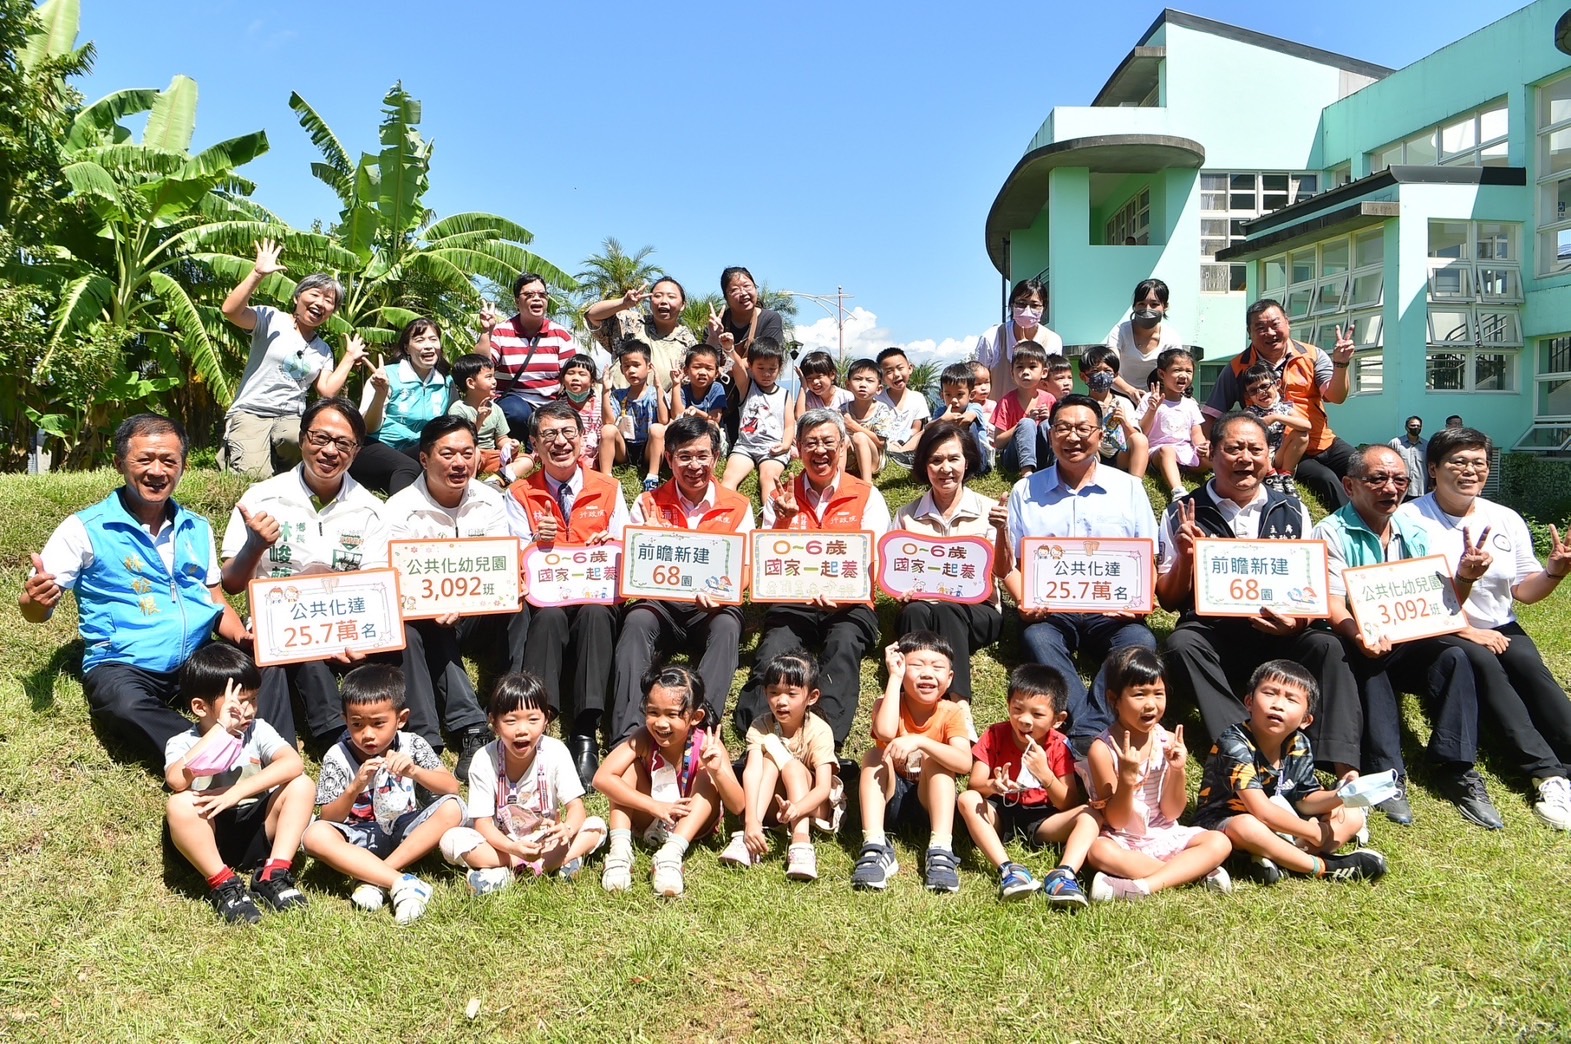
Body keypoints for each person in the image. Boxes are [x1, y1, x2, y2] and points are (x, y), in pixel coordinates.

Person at [20, 414, 252, 761]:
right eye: (145, 460)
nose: (157, 471)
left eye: (169, 461)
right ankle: (211, 757)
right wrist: (35, 600)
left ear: (183, 467)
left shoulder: (196, 527)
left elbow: (213, 599)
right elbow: (35, 612)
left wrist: (243, 640)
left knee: (264, 668)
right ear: (119, 464)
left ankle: (274, 746)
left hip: (196, 658)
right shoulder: (84, 529)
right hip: (123, 663)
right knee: (123, 705)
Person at [1156, 412, 1363, 776]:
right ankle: (1245, 747)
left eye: (1255, 449)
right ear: (1212, 453)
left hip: (1278, 633)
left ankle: (1345, 767)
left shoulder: (1292, 510)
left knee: (1328, 645)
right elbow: (1169, 601)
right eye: (1234, 449)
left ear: (1269, 456)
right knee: (1181, 644)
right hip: (1213, 633)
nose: (1245, 458)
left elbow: (1311, 590)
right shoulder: (1182, 512)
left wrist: (1297, 623)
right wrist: (1187, 559)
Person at [1312, 444, 1501, 828]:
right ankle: (1386, 772)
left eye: (1400, 480)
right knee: (1371, 659)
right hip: (1355, 639)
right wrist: (1359, 634)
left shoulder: (1413, 531)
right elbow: (1331, 603)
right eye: (1378, 479)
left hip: (1408, 639)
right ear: (1349, 486)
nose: (1391, 488)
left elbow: (1438, 601)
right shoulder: (1330, 532)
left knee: (1454, 657)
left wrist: (1464, 578)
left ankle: (1456, 767)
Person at [1397, 426, 1571, 830]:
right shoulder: (1408, 519)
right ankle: (1547, 775)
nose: (1469, 470)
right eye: (1458, 462)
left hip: (1499, 624)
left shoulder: (1505, 518)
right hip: (1437, 630)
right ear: (1433, 468)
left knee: (1530, 668)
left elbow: (1524, 592)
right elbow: (1408, 595)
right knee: (1487, 666)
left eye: (1478, 463)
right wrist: (1466, 627)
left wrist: (1555, 572)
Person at [220, 397, 389, 754]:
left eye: (343, 443)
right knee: (283, 650)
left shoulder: (372, 511)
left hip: (343, 630)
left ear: (356, 452)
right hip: (277, 629)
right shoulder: (262, 498)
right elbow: (231, 584)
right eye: (320, 438)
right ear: (301, 439)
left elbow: (376, 589)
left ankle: (327, 742)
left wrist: (361, 640)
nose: (330, 450)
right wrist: (254, 546)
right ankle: (286, 751)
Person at [1000, 394, 1159, 753]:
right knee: (1038, 639)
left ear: (1100, 436)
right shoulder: (1025, 491)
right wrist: (1023, 600)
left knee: (1141, 641)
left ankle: (1087, 728)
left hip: (1112, 610)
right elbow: (1009, 563)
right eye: (1062, 428)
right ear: (1050, 434)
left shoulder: (1128, 488)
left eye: (1083, 429)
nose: (1073, 437)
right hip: (1052, 610)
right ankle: (1094, 726)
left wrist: (1141, 603)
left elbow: (1147, 556)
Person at [374, 415, 524, 780]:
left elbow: (500, 568)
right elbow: (385, 575)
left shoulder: (490, 500)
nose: (459, 463)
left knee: (521, 606)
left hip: (479, 616)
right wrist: (433, 605)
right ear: (424, 459)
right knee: (414, 625)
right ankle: (433, 736)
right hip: (427, 618)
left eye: (467, 453)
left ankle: (514, 706)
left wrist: (503, 588)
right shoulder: (399, 509)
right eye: (448, 454)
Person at [733, 409, 892, 750]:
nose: (820, 450)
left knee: (843, 647)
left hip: (849, 604)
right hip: (794, 600)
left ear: (843, 446)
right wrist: (782, 520)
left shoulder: (867, 495)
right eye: (811, 443)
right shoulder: (782, 494)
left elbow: (876, 560)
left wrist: (843, 593)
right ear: (798, 449)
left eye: (828, 442)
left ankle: (824, 744)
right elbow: (767, 559)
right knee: (773, 650)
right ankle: (758, 739)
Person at [506, 400, 629, 787]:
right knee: (548, 618)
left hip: (595, 593)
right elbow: (515, 557)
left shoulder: (608, 488)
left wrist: (610, 543)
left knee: (594, 613)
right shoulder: (520, 493)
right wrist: (535, 542)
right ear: (535, 444)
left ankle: (585, 733)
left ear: (583, 438)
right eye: (549, 435)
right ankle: (538, 723)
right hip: (548, 597)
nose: (560, 442)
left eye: (567, 433)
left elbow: (626, 547)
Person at [610, 415, 754, 741]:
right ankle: (629, 733)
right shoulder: (647, 503)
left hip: (711, 607)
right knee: (636, 621)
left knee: (728, 625)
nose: (694, 465)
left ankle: (699, 728)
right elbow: (632, 567)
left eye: (703, 456)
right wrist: (649, 539)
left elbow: (744, 568)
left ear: (716, 458)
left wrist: (722, 596)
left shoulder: (738, 506)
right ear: (669, 459)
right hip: (661, 605)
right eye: (685, 456)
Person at [1193, 659, 1390, 884]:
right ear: (1249, 702)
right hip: (1226, 824)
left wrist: (1343, 794)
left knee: (1351, 816)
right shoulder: (1234, 743)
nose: (1278, 704)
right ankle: (1323, 867)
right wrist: (1313, 832)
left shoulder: (1299, 744)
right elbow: (1261, 811)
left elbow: (1306, 800)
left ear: (1306, 720)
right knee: (1246, 826)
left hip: (1283, 824)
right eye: (1270, 693)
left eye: (1291, 699)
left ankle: (1279, 860)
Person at [301, 664, 465, 924]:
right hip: (359, 837)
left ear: (401, 719)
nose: (367, 734)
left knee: (453, 807)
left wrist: (414, 771)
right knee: (314, 835)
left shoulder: (412, 744)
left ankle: (376, 877)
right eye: (356, 724)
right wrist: (355, 787)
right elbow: (329, 817)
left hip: (407, 831)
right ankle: (401, 882)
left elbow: (451, 787)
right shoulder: (338, 755)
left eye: (378, 724)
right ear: (345, 719)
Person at [163, 644, 315, 924]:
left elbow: (293, 763)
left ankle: (274, 873)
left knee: (301, 784)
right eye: (237, 704)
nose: (248, 711)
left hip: (257, 825)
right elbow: (175, 780)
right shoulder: (183, 742)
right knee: (179, 804)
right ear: (200, 707)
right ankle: (223, 884)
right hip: (210, 834)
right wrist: (220, 730)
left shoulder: (258, 730)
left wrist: (236, 792)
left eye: (253, 699)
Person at [1080, 648, 1232, 901]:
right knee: (1098, 851)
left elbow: (1172, 812)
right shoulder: (1102, 749)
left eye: (1158, 694)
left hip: (1164, 834)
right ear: (1114, 698)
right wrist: (1126, 781)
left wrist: (1177, 769)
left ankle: (1140, 887)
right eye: (1139, 694)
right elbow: (1116, 821)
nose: (1150, 704)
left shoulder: (1168, 741)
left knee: (1220, 841)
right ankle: (1194, 872)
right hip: (1124, 840)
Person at [438, 673, 608, 894]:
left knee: (596, 826)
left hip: (546, 840)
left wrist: (567, 829)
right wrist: (513, 848)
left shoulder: (556, 751)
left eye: (533, 719)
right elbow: (483, 824)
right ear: (494, 723)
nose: (522, 730)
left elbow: (576, 808)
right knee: (451, 840)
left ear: (546, 720)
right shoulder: (483, 759)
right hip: (502, 844)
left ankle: (504, 873)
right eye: (511, 721)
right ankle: (545, 864)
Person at [219, 239, 364, 477]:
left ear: (332, 312)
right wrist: (257, 274)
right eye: (315, 294)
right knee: (255, 476)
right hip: (252, 411)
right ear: (297, 297)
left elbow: (327, 391)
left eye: (329, 301)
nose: (320, 303)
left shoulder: (323, 349)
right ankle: (237, 452)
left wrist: (349, 358)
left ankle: (280, 463)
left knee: (302, 443)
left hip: (291, 418)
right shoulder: (270, 319)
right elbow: (231, 311)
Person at [957, 664, 1097, 907]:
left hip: (1043, 818)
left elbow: (1069, 802)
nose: (1024, 720)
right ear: (1008, 705)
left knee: (1091, 813)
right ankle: (1008, 870)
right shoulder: (995, 734)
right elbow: (974, 784)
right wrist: (994, 785)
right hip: (1000, 810)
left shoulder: (1059, 745)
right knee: (967, 799)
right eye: (1017, 709)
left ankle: (1064, 875)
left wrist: (1046, 775)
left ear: (1058, 720)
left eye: (1037, 714)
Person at [595, 665, 737, 898]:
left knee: (707, 776)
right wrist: (654, 806)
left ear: (696, 717)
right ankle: (620, 852)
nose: (661, 723)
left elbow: (738, 806)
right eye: (653, 712)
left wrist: (717, 771)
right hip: (652, 817)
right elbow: (602, 778)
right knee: (624, 770)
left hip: (692, 824)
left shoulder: (707, 744)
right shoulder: (643, 738)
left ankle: (670, 855)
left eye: (672, 715)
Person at [892, 420, 1004, 706]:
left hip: (977, 611)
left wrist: (1002, 531)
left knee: (948, 610)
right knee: (913, 611)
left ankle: (959, 703)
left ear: (967, 462)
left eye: (954, 459)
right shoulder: (906, 515)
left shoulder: (990, 511)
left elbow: (1004, 570)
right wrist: (900, 592)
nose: (945, 468)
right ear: (924, 466)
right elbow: (894, 570)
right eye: (936, 460)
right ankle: (911, 700)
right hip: (923, 606)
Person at [1203, 298, 1356, 508]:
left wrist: (1341, 363)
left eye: (1275, 324)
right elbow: (1212, 413)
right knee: (1326, 479)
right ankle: (1349, 525)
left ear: (1287, 323)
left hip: (1323, 440)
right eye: (1260, 328)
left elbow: (1336, 397)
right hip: (1287, 451)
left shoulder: (1312, 355)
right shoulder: (1238, 368)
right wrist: (1208, 447)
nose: (1270, 333)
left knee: (1367, 468)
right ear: (1249, 333)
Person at [851, 634, 974, 893]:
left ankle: (941, 850)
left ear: (949, 678)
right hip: (890, 800)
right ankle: (874, 846)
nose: (927, 673)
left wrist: (922, 742)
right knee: (874, 757)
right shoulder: (887, 703)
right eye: (916, 665)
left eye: (937, 667)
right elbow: (885, 733)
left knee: (939, 763)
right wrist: (895, 678)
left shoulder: (952, 711)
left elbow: (964, 762)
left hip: (931, 803)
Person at [719, 650, 843, 882]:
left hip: (813, 807)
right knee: (768, 758)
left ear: (812, 697)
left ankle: (801, 843)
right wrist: (751, 820)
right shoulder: (761, 725)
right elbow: (752, 772)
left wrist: (797, 808)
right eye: (773, 692)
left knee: (793, 767)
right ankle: (750, 835)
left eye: (791, 694)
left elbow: (823, 788)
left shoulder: (819, 730)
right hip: (774, 807)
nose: (781, 701)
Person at [353, 317, 452, 495]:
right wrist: (380, 394)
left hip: (415, 450)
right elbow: (367, 428)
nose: (428, 346)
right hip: (375, 447)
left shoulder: (446, 383)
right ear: (407, 348)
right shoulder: (385, 376)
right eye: (420, 340)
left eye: (433, 339)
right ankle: (402, 511)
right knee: (409, 466)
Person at [477, 273, 579, 440]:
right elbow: (481, 367)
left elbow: (571, 374)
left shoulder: (560, 335)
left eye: (542, 294)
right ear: (517, 301)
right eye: (529, 295)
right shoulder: (501, 332)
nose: (537, 299)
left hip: (549, 405)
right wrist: (486, 331)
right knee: (518, 412)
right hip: (513, 404)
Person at [585, 278, 697, 393]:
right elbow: (592, 316)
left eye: (671, 296)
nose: (663, 301)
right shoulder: (631, 322)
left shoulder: (688, 343)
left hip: (659, 403)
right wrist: (623, 303)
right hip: (613, 400)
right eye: (657, 296)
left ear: (683, 305)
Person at [721, 335, 795, 506]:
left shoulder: (785, 395)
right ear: (751, 366)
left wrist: (785, 445)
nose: (766, 374)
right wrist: (730, 349)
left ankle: (770, 518)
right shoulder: (747, 387)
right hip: (745, 447)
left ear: (780, 368)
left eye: (772, 369)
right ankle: (723, 515)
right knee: (730, 476)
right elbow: (738, 367)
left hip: (772, 450)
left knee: (769, 478)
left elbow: (789, 425)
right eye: (760, 368)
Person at [974, 277, 1066, 399]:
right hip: (998, 409)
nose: (1027, 310)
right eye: (1021, 304)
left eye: (1034, 305)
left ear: (1043, 308)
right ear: (1012, 305)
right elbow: (976, 381)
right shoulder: (992, 337)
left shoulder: (1052, 341)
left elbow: (1054, 382)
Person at [1138, 347, 1207, 499]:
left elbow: (1197, 434)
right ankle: (1178, 491)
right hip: (1159, 452)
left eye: (1188, 371)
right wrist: (1152, 410)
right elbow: (1142, 432)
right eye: (1177, 370)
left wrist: (1202, 447)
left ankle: (1224, 479)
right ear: (1162, 374)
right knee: (1167, 451)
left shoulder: (1190, 404)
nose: (1183, 375)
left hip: (1186, 451)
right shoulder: (1150, 399)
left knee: (1213, 452)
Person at [447, 353, 523, 486]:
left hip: (491, 455)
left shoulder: (495, 408)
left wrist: (509, 444)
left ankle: (496, 479)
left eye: (494, 376)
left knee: (526, 460)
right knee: (475, 452)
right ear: (471, 383)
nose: (494, 381)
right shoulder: (458, 409)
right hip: (469, 454)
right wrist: (479, 421)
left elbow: (501, 438)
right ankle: (470, 485)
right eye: (489, 377)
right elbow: (461, 440)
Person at [601, 341, 668, 491]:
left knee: (657, 429)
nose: (631, 370)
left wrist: (659, 388)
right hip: (625, 448)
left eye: (636, 365)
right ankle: (605, 479)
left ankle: (652, 477)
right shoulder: (618, 395)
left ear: (649, 367)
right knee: (607, 430)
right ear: (621, 369)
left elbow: (664, 420)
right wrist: (605, 392)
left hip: (648, 448)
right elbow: (608, 422)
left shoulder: (654, 394)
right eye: (626, 366)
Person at [1105, 277, 1184, 396]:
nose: (1147, 309)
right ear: (1134, 306)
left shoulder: (1171, 339)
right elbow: (1108, 369)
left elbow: (1175, 374)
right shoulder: (1120, 332)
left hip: (1156, 397)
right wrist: (1131, 392)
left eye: (1154, 304)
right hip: (1120, 393)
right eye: (1141, 304)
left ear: (1165, 306)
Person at [1079, 345, 1149, 478]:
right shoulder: (1081, 405)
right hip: (1095, 454)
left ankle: (1135, 482)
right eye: (1095, 371)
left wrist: (1124, 422)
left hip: (1120, 455)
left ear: (1115, 375)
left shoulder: (1124, 402)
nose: (1102, 375)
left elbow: (1136, 436)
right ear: (1083, 376)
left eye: (1107, 371)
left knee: (1140, 439)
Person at [1240, 362, 1310, 496]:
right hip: (1260, 457)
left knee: (1302, 435)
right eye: (1253, 391)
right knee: (1258, 441)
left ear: (1277, 384)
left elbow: (1307, 425)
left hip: (1279, 455)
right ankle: (1271, 477)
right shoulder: (1250, 412)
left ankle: (1285, 476)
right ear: (1249, 396)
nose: (1261, 392)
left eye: (1264, 386)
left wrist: (1276, 417)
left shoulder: (1284, 408)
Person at [991, 341, 1055, 479]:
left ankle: (1055, 467)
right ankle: (1026, 473)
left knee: (1047, 425)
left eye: (1032, 367)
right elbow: (999, 442)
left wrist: (1049, 419)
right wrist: (1021, 424)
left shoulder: (1050, 399)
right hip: (1014, 458)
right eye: (1020, 367)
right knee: (1026, 423)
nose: (1025, 372)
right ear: (1012, 373)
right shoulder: (1006, 402)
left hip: (1042, 456)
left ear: (1044, 372)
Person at [705, 266, 786, 371]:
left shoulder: (770, 319)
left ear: (755, 288)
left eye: (747, 286)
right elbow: (706, 363)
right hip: (720, 382)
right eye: (734, 290)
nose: (743, 293)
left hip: (754, 382)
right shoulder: (716, 324)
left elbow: (766, 358)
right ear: (726, 298)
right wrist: (713, 337)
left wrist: (724, 370)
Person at [841, 357, 896, 479]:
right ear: (848, 385)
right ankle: (839, 478)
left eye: (869, 380)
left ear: (879, 389)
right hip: (850, 462)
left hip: (874, 460)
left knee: (859, 437)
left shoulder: (882, 410)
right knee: (842, 439)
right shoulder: (843, 410)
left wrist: (853, 426)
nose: (863, 385)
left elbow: (881, 443)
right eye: (858, 379)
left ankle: (867, 482)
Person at [876, 346, 930, 468]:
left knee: (925, 432)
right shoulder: (877, 399)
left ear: (910, 368)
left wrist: (901, 444)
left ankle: (901, 454)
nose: (896, 374)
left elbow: (916, 429)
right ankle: (896, 454)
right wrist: (890, 444)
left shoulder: (918, 398)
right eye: (889, 371)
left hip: (907, 443)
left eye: (900, 368)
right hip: (884, 444)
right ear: (881, 377)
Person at [933, 362, 991, 473]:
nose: (954, 400)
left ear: (971, 395)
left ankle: (973, 467)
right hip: (952, 457)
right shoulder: (941, 412)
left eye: (960, 394)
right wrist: (942, 420)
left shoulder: (974, 407)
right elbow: (930, 429)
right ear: (942, 395)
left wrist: (949, 421)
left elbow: (968, 417)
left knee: (971, 425)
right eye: (948, 395)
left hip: (979, 460)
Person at [668, 343, 729, 447]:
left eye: (709, 368)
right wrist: (676, 384)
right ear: (686, 370)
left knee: (712, 424)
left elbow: (715, 419)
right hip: (686, 433)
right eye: (697, 367)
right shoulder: (683, 390)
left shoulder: (717, 388)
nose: (702, 372)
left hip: (708, 434)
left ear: (716, 373)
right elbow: (676, 415)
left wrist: (697, 413)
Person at [556, 354, 604, 471]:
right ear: (563, 379)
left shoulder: (600, 407)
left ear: (592, 382)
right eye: (570, 373)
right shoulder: (557, 409)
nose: (575, 378)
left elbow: (604, 437)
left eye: (582, 374)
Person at [1389, 416, 1428, 499]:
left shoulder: (1426, 445)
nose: (1416, 428)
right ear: (1406, 427)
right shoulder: (1396, 443)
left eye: (1418, 426)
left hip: (1419, 489)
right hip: (1399, 487)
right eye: (1413, 425)